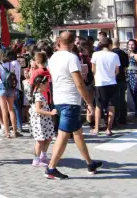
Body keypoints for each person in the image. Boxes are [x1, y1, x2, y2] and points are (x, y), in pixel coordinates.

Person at [46, 31, 102, 180]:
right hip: (70, 101)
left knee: (78, 133)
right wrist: (89, 102)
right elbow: (79, 83)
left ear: (59, 41)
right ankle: (51, 168)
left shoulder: (53, 58)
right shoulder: (72, 58)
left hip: (58, 99)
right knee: (63, 135)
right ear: (72, 43)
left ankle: (90, 163)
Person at [90, 37, 119, 136]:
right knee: (111, 107)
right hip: (112, 82)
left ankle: (97, 128)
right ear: (110, 45)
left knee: (99, 106)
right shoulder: (115, 55)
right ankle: (108, 129)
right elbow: (117, 71)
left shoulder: (95, 54)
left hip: (100, 83)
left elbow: (93, 70)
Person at [29, 75, 56, 167]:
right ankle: (36, 160)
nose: (47, 85)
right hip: (40, 121)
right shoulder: (38, 95)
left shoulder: (38, 93)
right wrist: (50, 113)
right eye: (46, 84)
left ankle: (43, 156)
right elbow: (38, 109)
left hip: (44, 121)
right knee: (40, 140)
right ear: (40, 85)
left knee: (48, 137)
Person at [0, 48, 21, 138]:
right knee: (11, 110)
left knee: (4, 111)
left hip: (1, 88)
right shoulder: (10, 63)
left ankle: (7, 133)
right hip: (10, 88)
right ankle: (15, 131)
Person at [111, 37, 129, 126]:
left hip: (114, 79)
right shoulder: (124, 54)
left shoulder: (112, 54)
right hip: (122, 78)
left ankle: (115, 119)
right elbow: (126, 66)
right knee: (122, 99)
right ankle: (123, 118)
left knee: (115, 100)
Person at [126, 39, 137, 118]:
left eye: (132, 44)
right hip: (129, 77)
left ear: (135, 45)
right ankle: (135, 112)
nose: (131, 46)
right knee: (131, 95)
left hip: (135, 77)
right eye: (129, 44)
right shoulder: (128, 55)